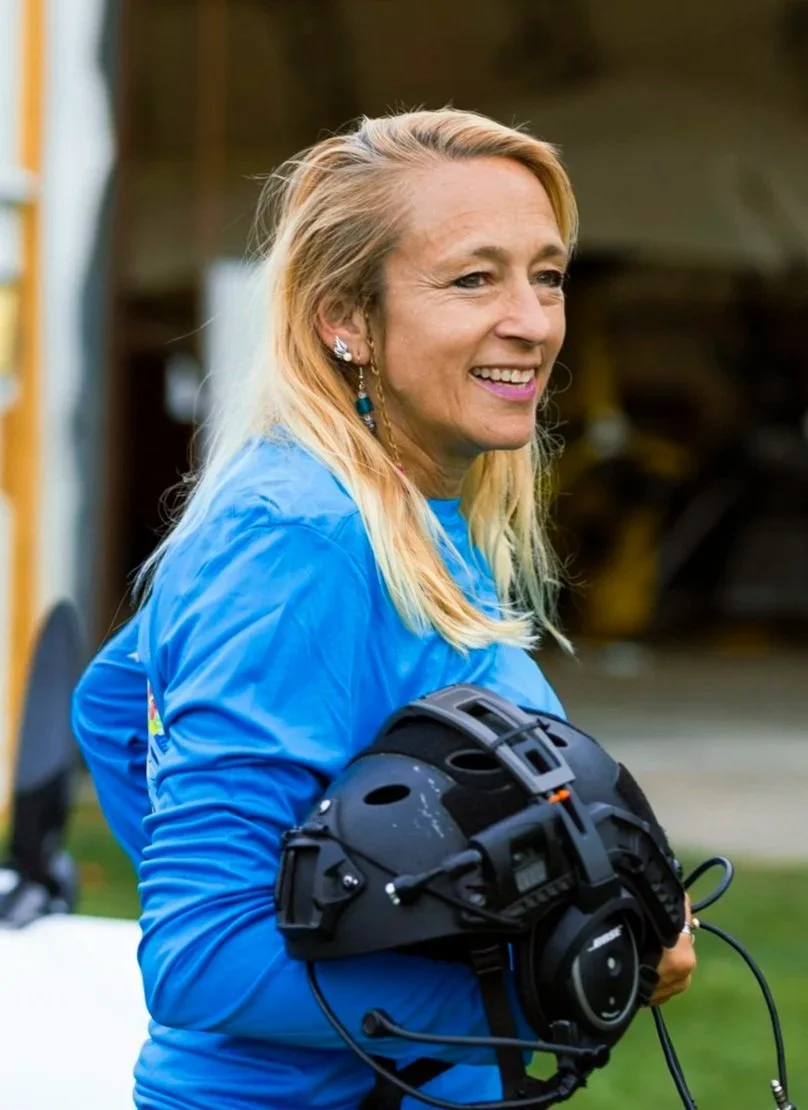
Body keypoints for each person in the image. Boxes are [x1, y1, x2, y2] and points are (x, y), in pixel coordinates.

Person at [72, 108, 696, 1110]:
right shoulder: (301, 538)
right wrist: (544, 990)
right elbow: (199, 956)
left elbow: (106, 706)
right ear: (345, 320)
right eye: (472, 278)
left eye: (546, 274)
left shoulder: (406, 511)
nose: (532, 320)